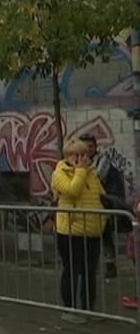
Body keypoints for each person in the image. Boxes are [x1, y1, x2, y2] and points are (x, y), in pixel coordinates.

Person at [51, 139, 107, 324]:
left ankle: (88, 308)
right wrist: (81, 171)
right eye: (79, 155)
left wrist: (104, 218)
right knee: (72, 270)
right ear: (69, 157)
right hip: (70, 231)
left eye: (86, 155)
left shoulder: (92, 174)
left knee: (89, 272)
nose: (84, 159)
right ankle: (69, 308)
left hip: (92, 231)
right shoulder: (59, 173)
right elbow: (72, 190)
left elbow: (100, 195)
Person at [79, 133, 123, 278]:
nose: (88, 149)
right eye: (85, 146)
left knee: (105, 233)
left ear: (95, 147)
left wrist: (82, 172)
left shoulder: (103, 159)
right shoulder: (80, 160)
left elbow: (98, 176)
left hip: (104, 202)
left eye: (91, 146)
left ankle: (110, 264)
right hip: (88, 202)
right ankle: (90, 265)